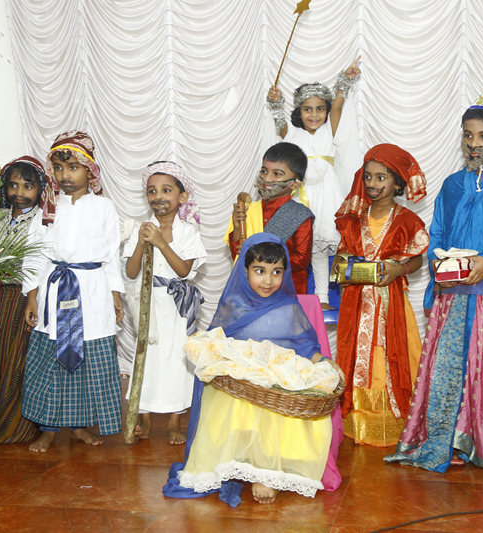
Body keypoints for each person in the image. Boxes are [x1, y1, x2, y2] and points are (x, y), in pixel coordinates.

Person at [385, 86, 483, 473]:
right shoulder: (453, 185)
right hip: (453, 295)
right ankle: (448, 437)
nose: (474, 144)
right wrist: (440, 265)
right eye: (468, 135)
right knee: (447, 369)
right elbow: (438, 234)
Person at [164, 233, 344, 506]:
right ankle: (241, 464)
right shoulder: (234, 306)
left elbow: (306, 347)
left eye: (277, 272)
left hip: (278, 383)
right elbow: (220, 344)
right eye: (260, 271)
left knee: (280, 407)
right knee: (237, 404)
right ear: (244, 271)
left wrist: (324, 361)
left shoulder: (288, 306)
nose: (268, 280)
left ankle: (269, 474)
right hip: (243, 384)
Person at [20, 131, 125, 453]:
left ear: (89, 170)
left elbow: (112, 253)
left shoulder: (104, 208)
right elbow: (34, 254)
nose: (65, 175)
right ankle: (48, 429)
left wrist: (115, 293)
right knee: (51, 360)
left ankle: (79, 425)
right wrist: (32, 295)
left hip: (92, 290)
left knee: (87, 357)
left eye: (73, 168)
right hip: (54, 289)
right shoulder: (45, 210)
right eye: (58, 168)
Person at [334, 144, 429, 447]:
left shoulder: (407, 220)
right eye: (368, 177)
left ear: (398, 183)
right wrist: (342, 267)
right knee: (356, 354)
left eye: (381, 178)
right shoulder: (353, 219)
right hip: (355, 303)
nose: (373, 184)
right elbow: (342, 256)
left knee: (387, 354)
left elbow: (418, 259)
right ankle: (357, 419)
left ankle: (390, 420)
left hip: (392, 304)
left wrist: (398, 269)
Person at [267, 57, 363, 307]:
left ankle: (332, 296)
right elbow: (280, 123)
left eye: (320, 109)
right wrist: (276, 102)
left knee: (327, 247)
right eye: (307, 109)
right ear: (299, 112)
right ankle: (302, 296)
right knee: (302, 248)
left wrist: (345, 82)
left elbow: (338, 107)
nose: (314, 114)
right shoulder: (293, 133)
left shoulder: (328, 130)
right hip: (300, 195)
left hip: (326, 194)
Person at [123, 161, 206, 445]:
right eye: (152, 190)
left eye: (166, 190)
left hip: (175, 307)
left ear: (182, 197)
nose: (158, 196)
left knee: (176, 362)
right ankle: (144, 417)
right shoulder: (141, 228)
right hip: (147, 305)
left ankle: (174, 421)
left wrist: (160, 242)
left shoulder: (189, 232)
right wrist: (140, 242)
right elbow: (131, 272)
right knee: (147, 360)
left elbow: (183, 271)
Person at [0, 156, 47, 445]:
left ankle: (19, 425)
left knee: (20, 360)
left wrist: (32, 297)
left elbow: (40, 261)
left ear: (40, 189)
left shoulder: (44, 219)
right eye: (13, 185)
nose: (19, 192)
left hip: (27, 297)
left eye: (28, 186)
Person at [225, 142, 314, 293]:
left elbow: (301, 260)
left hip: (287, 291)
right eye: (264, 171)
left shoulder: (300, 214)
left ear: (295, 184)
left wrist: (258, 255)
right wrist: (237, 227)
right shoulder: (248, 210)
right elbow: (237, 256)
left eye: (277, 174)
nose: (267, 179)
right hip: (250, 291)